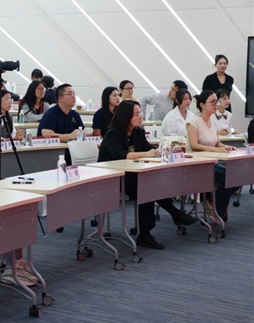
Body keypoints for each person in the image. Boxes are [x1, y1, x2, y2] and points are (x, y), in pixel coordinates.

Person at [98, 101, 198, 249]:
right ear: (126, 116)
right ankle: (173, 215)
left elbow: (149, 149)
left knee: (148, 185)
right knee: (146, 187)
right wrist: (146, 154)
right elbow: (122, 155)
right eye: (137, 114)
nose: (141, 116)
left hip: (132, 175)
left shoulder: (138, 132)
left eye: (140, 113)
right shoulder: (113, 134)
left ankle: (151, 230)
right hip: (112, 177)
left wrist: (160, 151)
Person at [186, 90, 238, 221]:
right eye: (213, 102)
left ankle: (211, 203)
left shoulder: (213, 122)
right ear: (202, 105)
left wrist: (226, 147)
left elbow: (217, 143)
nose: (216, 105)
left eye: (216, 102)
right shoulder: (194, 122)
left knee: (235, 175)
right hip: (196, 164)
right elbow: (194, 146)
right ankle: (216, 211)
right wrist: (215, 150)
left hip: (210, 162)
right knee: (226, 177)